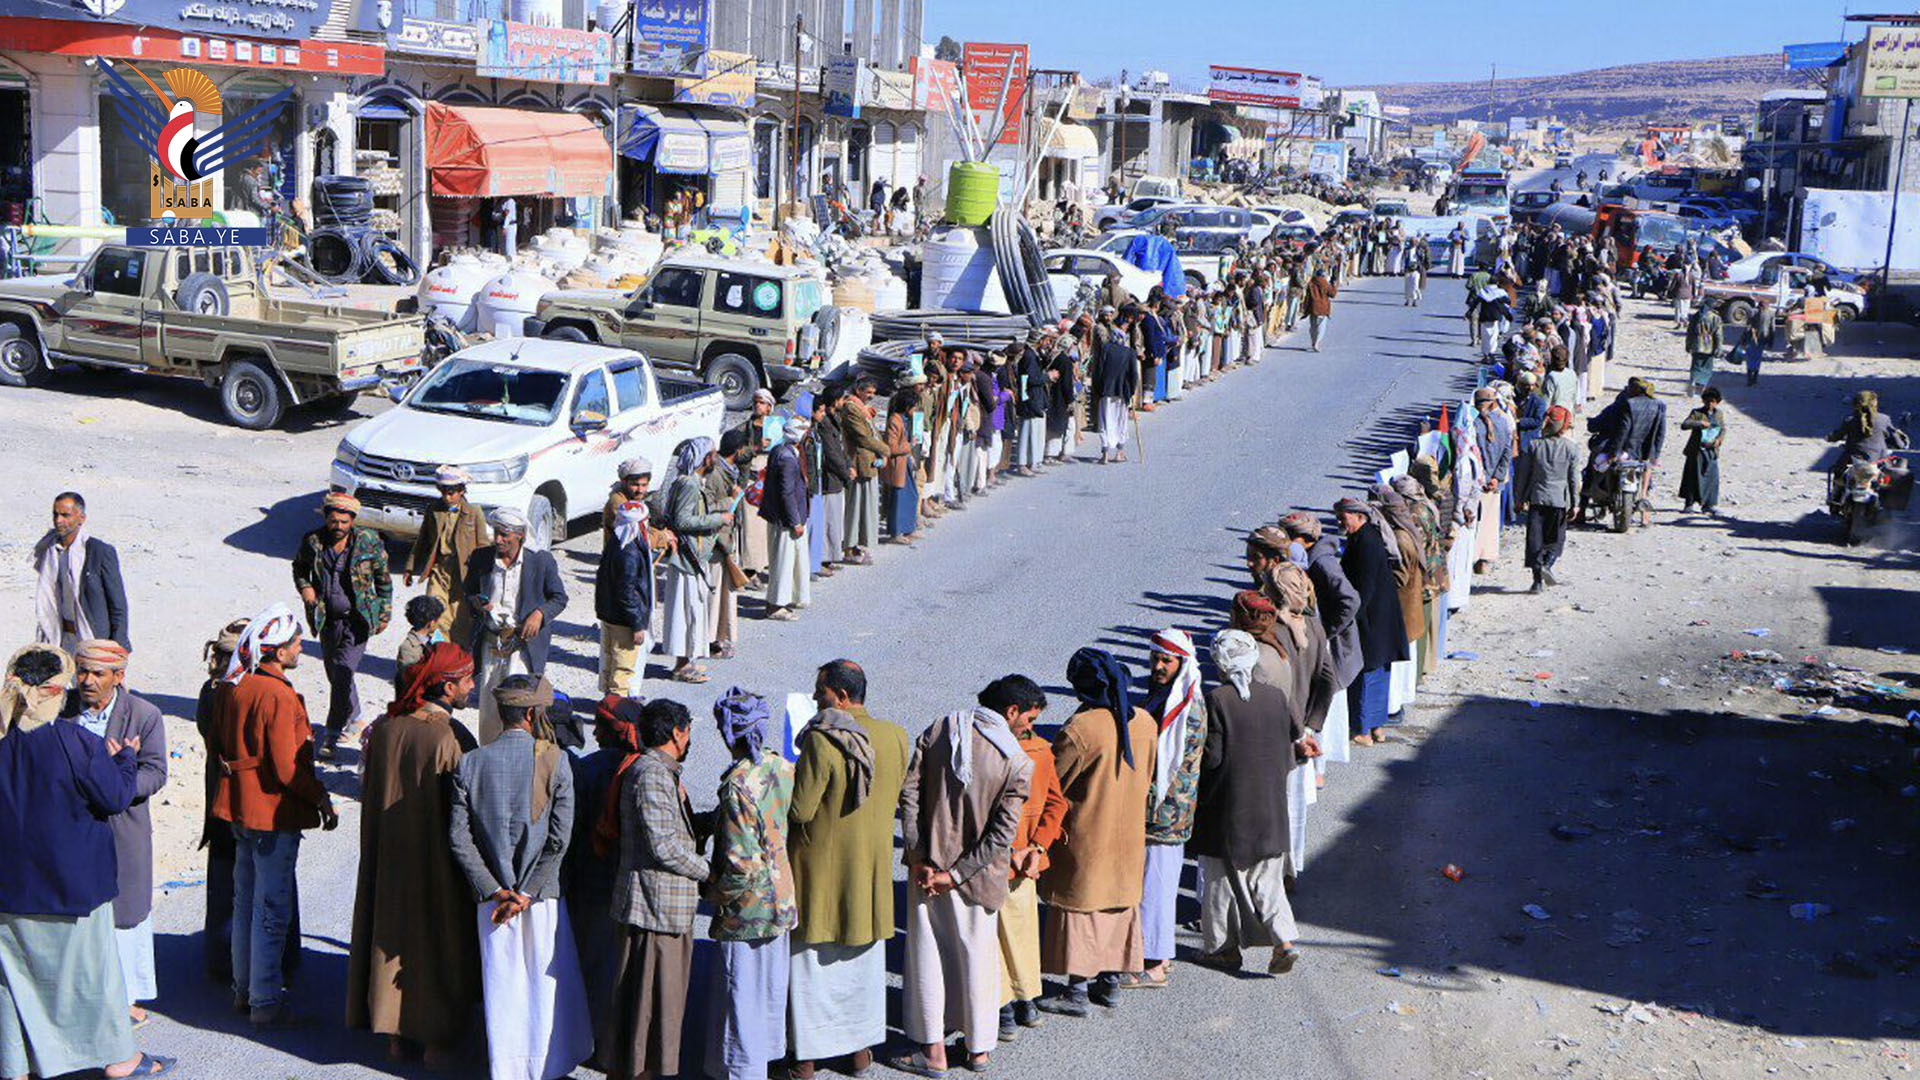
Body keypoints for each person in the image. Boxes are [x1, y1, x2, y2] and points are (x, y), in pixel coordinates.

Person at [0, 644, 174, 1080]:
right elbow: (114, 796)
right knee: (94, 977)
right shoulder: (75, 741)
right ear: (60, 690)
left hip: (8, 888)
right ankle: (121, 1061)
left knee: (15, 984)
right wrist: (126, 760)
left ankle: (15, 1066)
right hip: (72, 887)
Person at [449, 675, 592, 1080]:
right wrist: (526, 893)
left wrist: (496, 891)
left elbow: (459, 840)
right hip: (541, 896)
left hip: (491, 901)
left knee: (504, 983)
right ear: (531, 714)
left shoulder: (471, 763)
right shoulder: (556, 760)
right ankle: (550, 1064)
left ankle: (509, 1069)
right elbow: (560, 840)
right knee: (545, 985)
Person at [347, 642, 481, 1065]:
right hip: (437, 859)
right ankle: (436, 1038)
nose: (471, 686)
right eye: (466, 679)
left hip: (390, 855)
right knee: (436, 942)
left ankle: (395, 1034)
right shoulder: (449, 737)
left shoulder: (388, 728)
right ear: (445, 686)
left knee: (393, 931)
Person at [208, 604, 339, 1026]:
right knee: (270, 910)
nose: (301, 648)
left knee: (245, 902)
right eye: (296, 642)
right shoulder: (277, 694)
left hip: (240, 809)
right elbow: (286, 768)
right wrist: (320, 798)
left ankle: (243, 992)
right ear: (277, 651)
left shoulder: (233, 685)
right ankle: (265, 1001)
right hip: (269, 815)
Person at [894, 681, 1032, 1077]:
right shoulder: (1017, 761)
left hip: (926, 871)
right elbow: (1001, 837)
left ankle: (933, 1052)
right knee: (978, 961)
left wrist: (920, 856)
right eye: (1028, 718)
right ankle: (978, 1051)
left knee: (928, 961)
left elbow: (910, 794)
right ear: (1010, 711)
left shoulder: (939, 729)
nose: (1028, 728)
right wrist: (955, 875)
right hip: (975, 879)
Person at [785, 660, 909, 1080]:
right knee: (861, 969)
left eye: (820, 691)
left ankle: (805, 1060)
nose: (816, 697)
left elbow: (801, 809)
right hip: (869, 876)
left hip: (819, 875)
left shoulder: (823, 740)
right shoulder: (895, 737)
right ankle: (858, 1053)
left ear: (839, 694)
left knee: (811, 971)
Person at [1039, 647, 1157, 1016]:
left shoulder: (1081, 729)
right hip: (1128, 836)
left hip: (1089, 834)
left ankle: (1076, 990)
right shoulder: (1145, 723)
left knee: (1081, 910)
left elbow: (1052, 781)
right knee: (1117, 906)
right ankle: (1109, 983)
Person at [59, 640, 167, 1025]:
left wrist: (116, 782)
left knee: (124, 913)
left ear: (119, 677)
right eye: (82, 671)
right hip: (72, 827)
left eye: (97, 674)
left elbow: (155, 772)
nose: (87, 681)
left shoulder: (144, 714)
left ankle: (123, 999)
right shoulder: (62, 708)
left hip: (122, 828)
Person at [1190, 630, 1309, 974]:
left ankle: (1221, 949)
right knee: (1268, 880)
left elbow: (1212, 760)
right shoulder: (1275, 697)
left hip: (1229, 808)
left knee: (1220, 882)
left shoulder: (1217, 700)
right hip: (1271, 805)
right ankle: (1284, 940)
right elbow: (1291, 741)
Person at [607, 699, 708, 1080]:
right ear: (675, 733)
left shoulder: (660, 771)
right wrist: (708, 872)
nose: (688, 737)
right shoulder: (651, 775)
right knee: (646, 1016)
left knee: (648, 1015)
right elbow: (663, 845)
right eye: (686, 730)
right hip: (654, 909)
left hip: (659, 909)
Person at [704, 689, 796, 1080]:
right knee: (770, 990)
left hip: (746, 912)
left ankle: (743, 1071)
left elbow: (740, 865)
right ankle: (767, 1060)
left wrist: (712, 893)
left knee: (740, 996)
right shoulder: (781, 766)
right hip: (782, 897)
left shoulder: (736, 785)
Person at [1124, 629, 1207, 990]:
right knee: (1157, 883)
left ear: (1181, 663)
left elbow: (1166, 760)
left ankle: (1155, 963)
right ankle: (1160, 953)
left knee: (1155, 885)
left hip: (1164, 812)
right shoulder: (1167, 693)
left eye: (1166, 660)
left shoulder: (1183, 705)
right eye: (1155, 658)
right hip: (1165, 811)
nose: (1158, 666)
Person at [293, 491, 392, 755]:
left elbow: (383, 580)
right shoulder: (313, 541)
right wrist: (306, 589)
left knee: (343, 669)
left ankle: (333, 732)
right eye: (334, 521)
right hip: (326, 618)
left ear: (353, 521)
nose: (338, 527)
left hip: (358, 620)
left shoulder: (368, 542)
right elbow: (299, 568)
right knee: (335, 673)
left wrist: (384, 613)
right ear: (326, 518)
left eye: (344, 522)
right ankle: (355, 716)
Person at [467, 508, 568, 743]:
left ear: (520, 535)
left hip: (523, 646)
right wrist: (477, 604)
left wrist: (539, 614)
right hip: (492, 642)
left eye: (504, 535)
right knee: (490, 704)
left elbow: (559, 598)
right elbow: (469, 591)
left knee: (518, 705)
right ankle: (490, 752)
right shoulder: (482, 558)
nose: (498, 539)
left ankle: (519, 754)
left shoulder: (541, 561)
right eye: (496, 533)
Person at [1335, 497, 1408, 747]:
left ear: (1359, 516)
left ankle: (1364, 730)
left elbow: (1364, 587)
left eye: (1344, 519)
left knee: (1365, 674)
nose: (1341, 523)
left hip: (1371, 619)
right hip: (1381, 619)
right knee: (1379, 673)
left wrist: (1349, 617)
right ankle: (1377, 727)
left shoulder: (1366, 542)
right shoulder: (1365, 537)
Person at [661, 438, 733, 684]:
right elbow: (682, 521)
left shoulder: (690, 482)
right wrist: (718, 520)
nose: (715, 457)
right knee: (685, 611)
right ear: (705, 458)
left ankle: (687, 660)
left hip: (692, 556)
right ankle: (681, 665)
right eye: (713, 453)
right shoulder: (689, 484)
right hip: (687, 558)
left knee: (693, 610)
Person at [32, 491, 129, 652]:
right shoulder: (50, 551)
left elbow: (117, 605)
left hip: (92, 638)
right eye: (55, 515)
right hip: (60, 637)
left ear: (81, 518)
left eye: (65, 515)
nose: (58, 521)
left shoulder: (99, 551)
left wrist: (119, 646)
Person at [405, 465, 490, 643]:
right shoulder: (434, 510)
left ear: (461, 491)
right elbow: (422, 540)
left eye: (451, 492)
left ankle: (455, 660)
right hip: (440, 570)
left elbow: (483, 546)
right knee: (434, 612)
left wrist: (485, 578)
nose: (447, 496)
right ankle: (437, 653)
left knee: (460, 618)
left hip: (464, 574)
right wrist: (410, 567)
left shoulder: (474, 513)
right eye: (443, 491)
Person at [597, 492, 658, 697]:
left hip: (610, 616)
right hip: (624, 621)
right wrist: (637, 624)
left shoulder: (615, 543)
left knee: (609, 665)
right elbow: (627, 592)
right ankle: (615, 715)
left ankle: (606, 707)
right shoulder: (629, 552)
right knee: (622, 670)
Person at [1521, 406, 1581, 593]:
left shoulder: (1534, 445)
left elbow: (1524, 475)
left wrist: (1519, 498)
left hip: (1537, 497)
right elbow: (1573, 479)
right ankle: (1547, 564)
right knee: (1555, 539)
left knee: (1535, 540)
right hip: (1559, 500)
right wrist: (1575, 504)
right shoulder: (1571, 448)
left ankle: (1537, 581)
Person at [762, 420, 813, 620]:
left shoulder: (780, 450)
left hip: (784, 517)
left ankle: (787, 597)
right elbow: (786, 493)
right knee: (783, 563)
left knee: (791, 561)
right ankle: (775, 605)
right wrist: (795, 522)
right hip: (786, 520)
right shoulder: (787, 458)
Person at [839, 380, 888, 564]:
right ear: (858, 390)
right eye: (868, 392)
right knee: (855, 507)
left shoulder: (864, 408)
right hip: (858, 463)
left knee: (865, 507)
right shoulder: (852, 408)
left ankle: (857, 545)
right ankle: (849, 548)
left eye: (873, 392)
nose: (871, 396)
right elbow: (862, 437)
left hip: (868, 464)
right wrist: (885, 449)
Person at [1471, 388, 1514, 573]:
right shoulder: (1503, 423)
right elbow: (1507, 452)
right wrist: (1496, 478)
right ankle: (1485, 561)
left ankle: (1472, 557)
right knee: (1489, 521)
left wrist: (1484, 478)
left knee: (1474, 522)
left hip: (1477, 483)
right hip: (1494, 483)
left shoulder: (1473, 425)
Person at [1092, 315, 1138, 464]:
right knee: (1121, 421)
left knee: (1105, 421)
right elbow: (1133, 375)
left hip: (1106, 390)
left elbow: (1098, 371)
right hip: (1122, 391)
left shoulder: (1105, 349)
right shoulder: (1129, 352)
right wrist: (1131, 392)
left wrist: (1098, 389)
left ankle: (1104, 454)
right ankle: (1119, 452)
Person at [882, 387, 922, 544]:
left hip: (905, 462)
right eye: (914, 406)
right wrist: (909, 447)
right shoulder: (895, 420)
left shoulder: (904, 420)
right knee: (899, 498)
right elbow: (890, 447)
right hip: (897, 465)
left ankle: (908, 529)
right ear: (907, 407)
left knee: (911, 495)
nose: (916, 409)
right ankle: (896, 532)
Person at [1827, 389, 1907, 466]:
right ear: (1875, 404)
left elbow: (1837, 435)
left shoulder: (1850, 420)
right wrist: (1902, 444)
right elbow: (1897, 442)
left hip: (1852, 460)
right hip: (1878, 460)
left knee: (1838, 471)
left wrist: (1830, 437)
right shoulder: (1884, 419)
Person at [1679, 388, 1727, 517]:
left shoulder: (1719, 414)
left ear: (1717, 402)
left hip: (1711, 450)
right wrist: (1699, 423)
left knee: (1711, 477)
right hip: (1696, 451)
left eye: (1712, 401)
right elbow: (1685, 424)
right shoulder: (1697, 412)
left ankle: (1709, 505)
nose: (1710, 404)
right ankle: (1689, 504)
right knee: (1692, 476)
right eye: (1707, 401)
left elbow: (1722, 429)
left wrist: (1719, 440)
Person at [394, 595, 447, 693]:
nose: (439, 623)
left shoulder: (433, 641)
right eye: (437, 620)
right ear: (431, 623)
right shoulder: (409, 648)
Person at [1685, 300, 1724, 398]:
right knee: (1707, 368)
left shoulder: (1697, 316)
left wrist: (1688, 345)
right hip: (1709, 346)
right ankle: (1700, 387)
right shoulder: (1715, 318)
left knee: (1695, 366)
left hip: (1696, 345)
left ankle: (1693, 381)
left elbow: (1690, 332)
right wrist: (1719, 347)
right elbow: (1718, 334)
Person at [1304, 266, 1335, 352]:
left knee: (1313, 327)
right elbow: (1332, 294)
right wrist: (1333, 284)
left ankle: (1313, 342)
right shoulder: (1325, 283)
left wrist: (1305, 308)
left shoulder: (1311, 283)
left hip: (1312, 308)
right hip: (1322, 308)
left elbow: (1307, 297)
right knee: (1321, 327)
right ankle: (1317, 343)